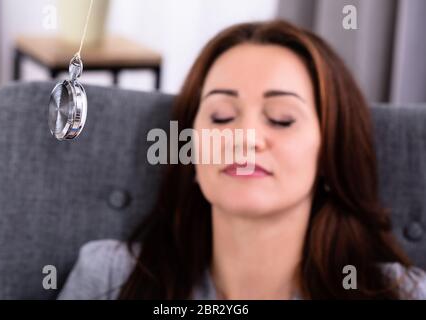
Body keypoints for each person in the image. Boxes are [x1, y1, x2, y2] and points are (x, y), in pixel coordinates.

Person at [58, 20, 426, 300]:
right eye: (221, 117)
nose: (244, 138)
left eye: (282, 118)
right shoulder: (109, 278)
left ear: (330, 151)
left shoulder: (403, 293)